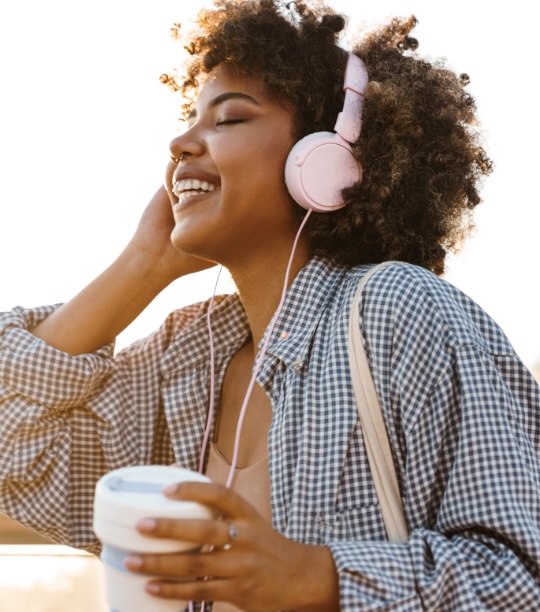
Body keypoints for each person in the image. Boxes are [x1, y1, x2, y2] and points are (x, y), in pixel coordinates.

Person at [1, 0, 539, 610]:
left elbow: (522, 576)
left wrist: (314, 577)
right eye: (189, 119)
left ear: (324, 163)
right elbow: (14, 448)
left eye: (227, 119)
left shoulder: (398, 311)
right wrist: (141, 266)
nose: (180, 142)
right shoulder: (187, 353)